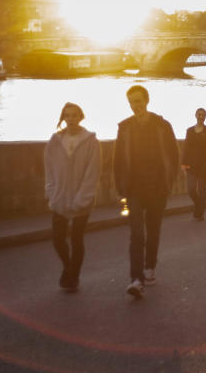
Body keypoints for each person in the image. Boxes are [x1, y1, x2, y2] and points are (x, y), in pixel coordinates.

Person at [114, 85, 179, 299]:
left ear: (147, 101)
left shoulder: (162, 125)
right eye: (132, 102)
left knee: (153, 231)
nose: (136, 105)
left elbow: (173, 155)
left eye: (139, 101)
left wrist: (169, 183)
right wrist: (120, 188)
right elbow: (118, 160)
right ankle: (136, 279)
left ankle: (150, 266)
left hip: (157, 186)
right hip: (134, 188)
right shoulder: (124, 128)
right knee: (136, 234)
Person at [43, 102, 101, 292]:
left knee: (77, 240)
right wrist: (51, 192)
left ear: (80, 117)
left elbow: (93, 173)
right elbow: (49, 170)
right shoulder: (55, 140)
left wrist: (82, 198)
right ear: (63, 118)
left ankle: (73, 276)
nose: (71, 119)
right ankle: (68, 267)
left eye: (74, 115)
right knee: (58, 239)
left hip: (81, 200)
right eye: (67, 115)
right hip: (59, 198)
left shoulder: (91, 141)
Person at [181, 107, 206, 221]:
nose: (201, 116)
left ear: (205, 116)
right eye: (199, 114)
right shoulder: (189, 130)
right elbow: (186, 148)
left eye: (203, 115)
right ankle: (199, 205)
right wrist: (183, 164)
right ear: (195, 115)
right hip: (191, 165)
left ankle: (200, 212)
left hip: (204, 164)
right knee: (191, 189)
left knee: (202, 189)